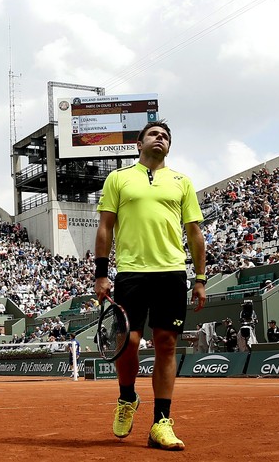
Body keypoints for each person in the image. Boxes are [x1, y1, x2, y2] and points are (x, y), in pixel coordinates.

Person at [95, 121, 206, 452]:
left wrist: (200, 278)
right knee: (127, 342)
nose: (161, 138)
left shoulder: (182, 182)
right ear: (139, 143)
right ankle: (128, 397)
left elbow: (195, 234)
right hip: (131, 272)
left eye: (166, 136)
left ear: (169, 147)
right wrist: (102, 273)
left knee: (166, 344)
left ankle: (161, 422)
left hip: (172, 272)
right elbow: (105, 227)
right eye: (155, 134)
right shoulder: (118, 179)